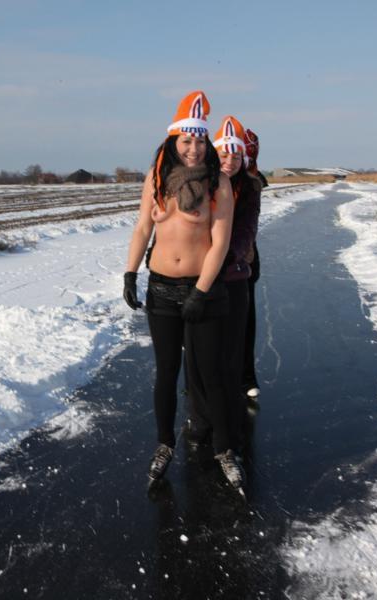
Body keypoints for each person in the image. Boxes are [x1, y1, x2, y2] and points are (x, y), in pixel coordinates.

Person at [123, 91, 234, 486]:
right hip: (161, 291)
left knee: (209, 375)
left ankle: (224, 447)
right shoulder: (156, 178)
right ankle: (164, 443)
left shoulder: (217, 182)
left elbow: (220, 242)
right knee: (166, 372)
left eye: (200, 140)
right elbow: (142, 228)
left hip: (200, 289)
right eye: (186, 140)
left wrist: (201, 292)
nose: (193, 148)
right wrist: (130, 273)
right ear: (174, 141)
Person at [183, 115, 261, 488]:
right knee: (197, 355)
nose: (229, 160)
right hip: (198, 280)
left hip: (230, 280)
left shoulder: (249, 187)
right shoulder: (203, 182)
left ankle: (228, 426)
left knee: (228, 355)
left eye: (235, 155)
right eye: (224, 154)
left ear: (243, 159)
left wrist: (219, 262)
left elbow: (244, 232)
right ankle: (200, 417)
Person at [242, 128, 267, 400]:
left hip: (244, 259)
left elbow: (249, 227)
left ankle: (246, 374)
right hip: (208, 260)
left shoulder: (253, 182)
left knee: (245, 319)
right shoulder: (214, 176)